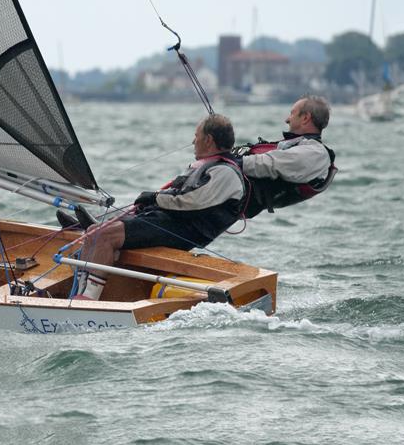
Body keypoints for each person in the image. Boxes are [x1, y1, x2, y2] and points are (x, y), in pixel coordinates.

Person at [69, 113, 246, 301]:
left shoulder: (225, 173)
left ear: (208, 140)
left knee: (105, 236)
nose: (193, 141)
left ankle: (88, 298)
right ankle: (78, 292)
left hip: (183, 231)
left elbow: (191, 201)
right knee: (94, 231)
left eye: (196, 136)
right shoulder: (210, 166)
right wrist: (153, 201)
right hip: (169, 222)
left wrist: (155, 198)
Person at [236, 95, 336, 218]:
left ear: (305, 118)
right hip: (235, 194)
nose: (287, 119)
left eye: (292, 114)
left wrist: (234, 162)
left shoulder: (316, 153)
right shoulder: (298, 145)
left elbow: (271, 164)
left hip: (237, 197)